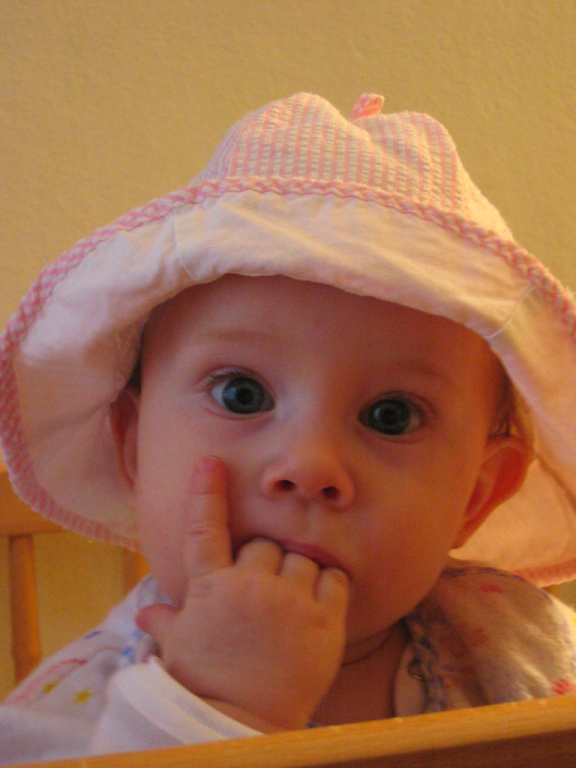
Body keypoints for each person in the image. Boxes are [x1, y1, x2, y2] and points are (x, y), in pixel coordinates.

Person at [1, 92, 576, 763]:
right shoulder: (78, 712)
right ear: (132, 446)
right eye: (241, 394)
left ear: (476, 495)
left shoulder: (521, 651)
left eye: (391, 416)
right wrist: (215, 711)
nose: (308, 465)